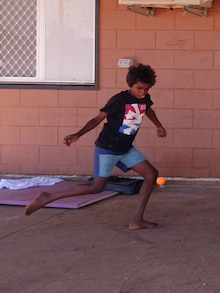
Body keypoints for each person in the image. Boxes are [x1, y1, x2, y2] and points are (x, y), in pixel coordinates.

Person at [24, 64, 167, 230]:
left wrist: (158, 125)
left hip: (126, 148)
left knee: (151, 174)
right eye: (139, 88)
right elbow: (97, 119)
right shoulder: (118, 100)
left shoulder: (144, 98)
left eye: (146, 89)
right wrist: (78, 134)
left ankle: (137, 220)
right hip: (108, 148)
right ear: (131, 84)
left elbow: (147, 110)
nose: (142, 92)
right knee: (96, 187)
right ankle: (47, 197)